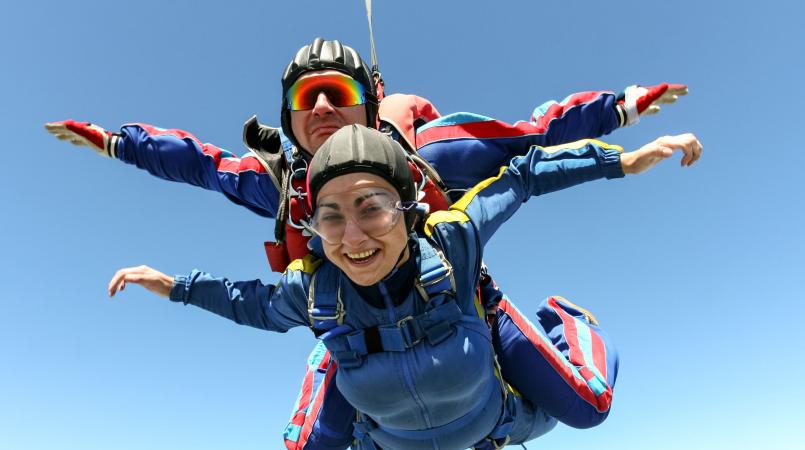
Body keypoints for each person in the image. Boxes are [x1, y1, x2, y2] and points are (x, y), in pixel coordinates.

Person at [46, 38, 691, 449]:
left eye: (341, 93)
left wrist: (621, 113)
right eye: (307, 96)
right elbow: (199, 163)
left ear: (372, 103)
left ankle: (562, 323)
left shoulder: (433, 155)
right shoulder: (280, 187)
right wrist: (116, 141)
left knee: (586, 407)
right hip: (347, 333)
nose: (324, 106)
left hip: (461, 316)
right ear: (288, 117)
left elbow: (528, 140)